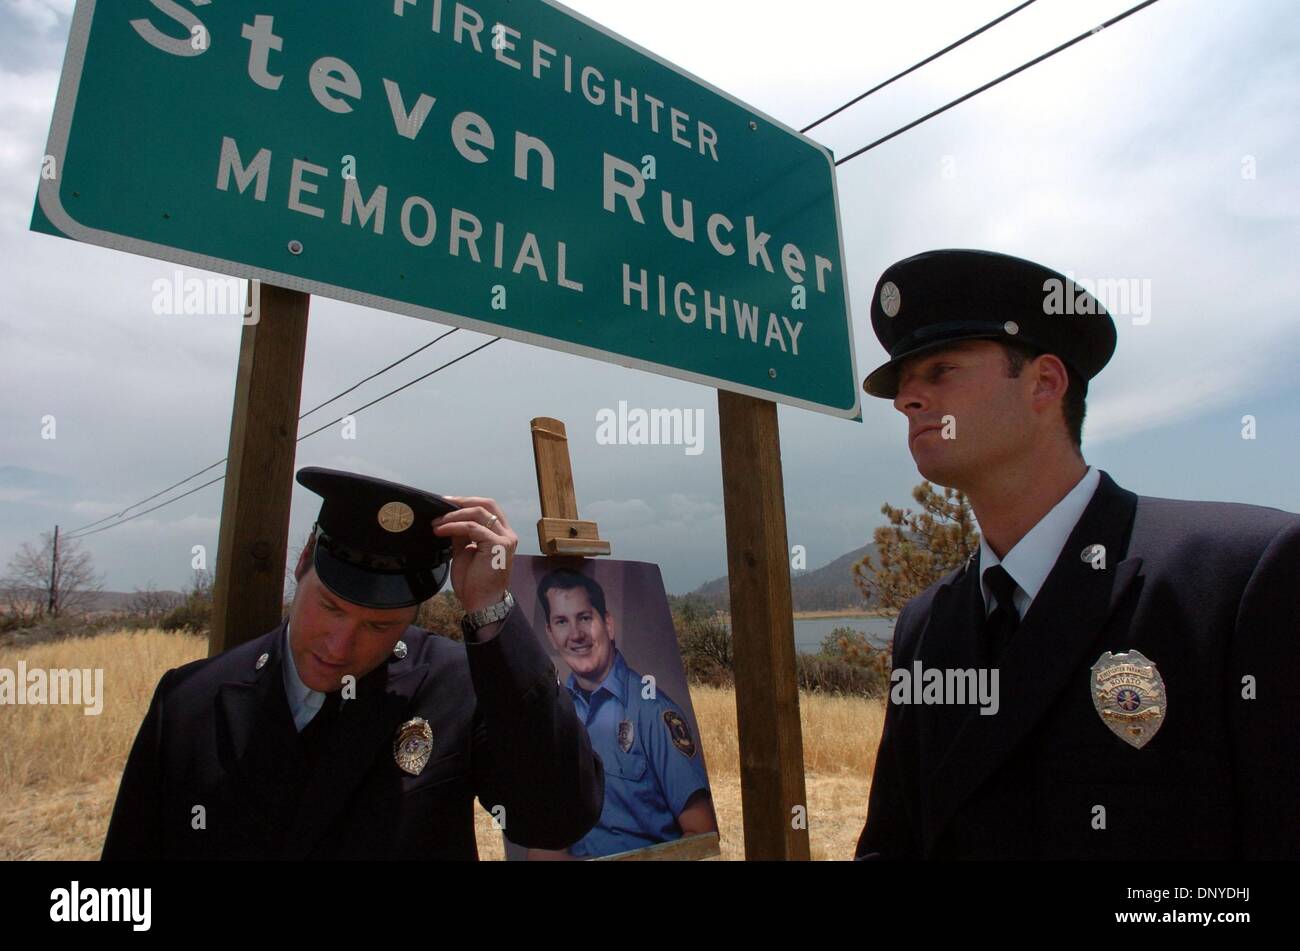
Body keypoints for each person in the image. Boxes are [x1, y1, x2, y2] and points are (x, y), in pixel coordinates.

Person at [855, 249, 1300, 860]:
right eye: (902, 386)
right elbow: (894, 843)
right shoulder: (927, 625)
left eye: (940, 371)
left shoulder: (1239, 577)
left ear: (1045, 382)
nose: (908, 399)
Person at [102, 467, 603, 859]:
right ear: (302, 565)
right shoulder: (189, 699)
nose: (340, 647)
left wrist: (491, 611)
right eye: (331, 607)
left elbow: (554, 819)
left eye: (379, 627)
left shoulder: (452, 686)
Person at [525, 568, 715, 859]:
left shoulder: (654, 712)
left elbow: (701, 836)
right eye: (562, 622)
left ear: (609, 625)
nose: (575, 634)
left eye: (585, 617)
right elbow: (546, 845)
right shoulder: (552, 719)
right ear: (550, 634)